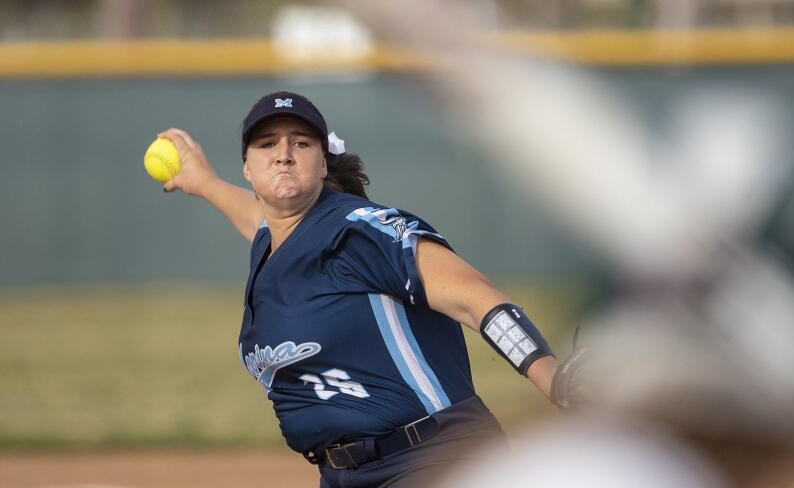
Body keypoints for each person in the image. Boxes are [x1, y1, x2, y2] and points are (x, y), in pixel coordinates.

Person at [157, 91, 583, 488]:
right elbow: (255, 218)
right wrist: (204, 182)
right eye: (267, 144)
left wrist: (553, 379)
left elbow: (476, 299)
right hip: (345, 475)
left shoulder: (362, 232)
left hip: (433, 461)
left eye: (301, 144)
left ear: (323, 164)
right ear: (247, 168)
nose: (283, 155)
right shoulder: (274, 240)